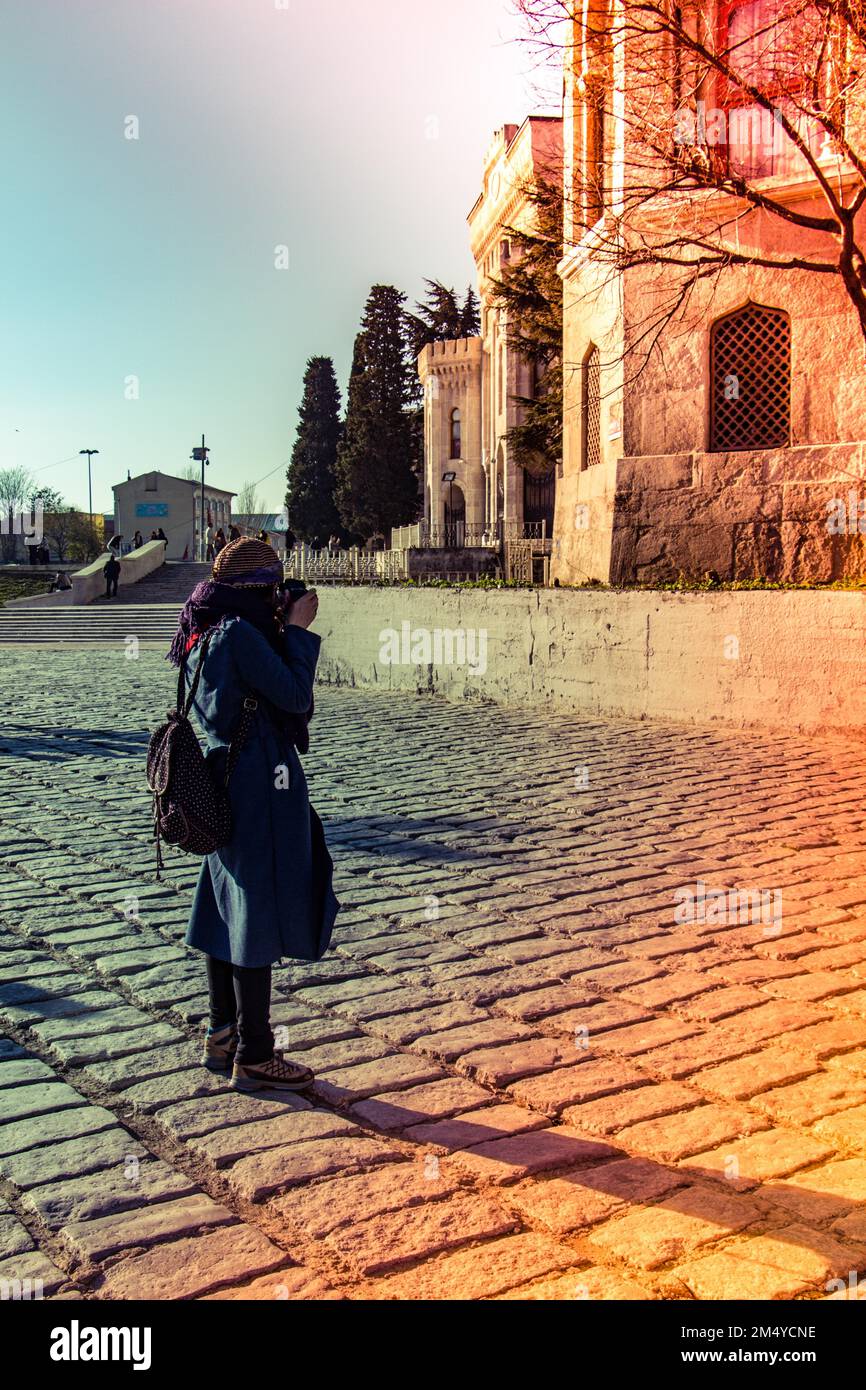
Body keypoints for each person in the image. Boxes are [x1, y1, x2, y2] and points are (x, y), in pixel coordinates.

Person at [167, 538, 339, 1091]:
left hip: (222, 775)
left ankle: (223, 1034)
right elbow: (292, 696)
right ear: (258, 590)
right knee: (255, 912)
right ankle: (257, 1053)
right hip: (260, 780)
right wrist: (299, 632)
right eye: (273, 588)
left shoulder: (203, 626)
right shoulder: (241, 635)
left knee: (225, 908)